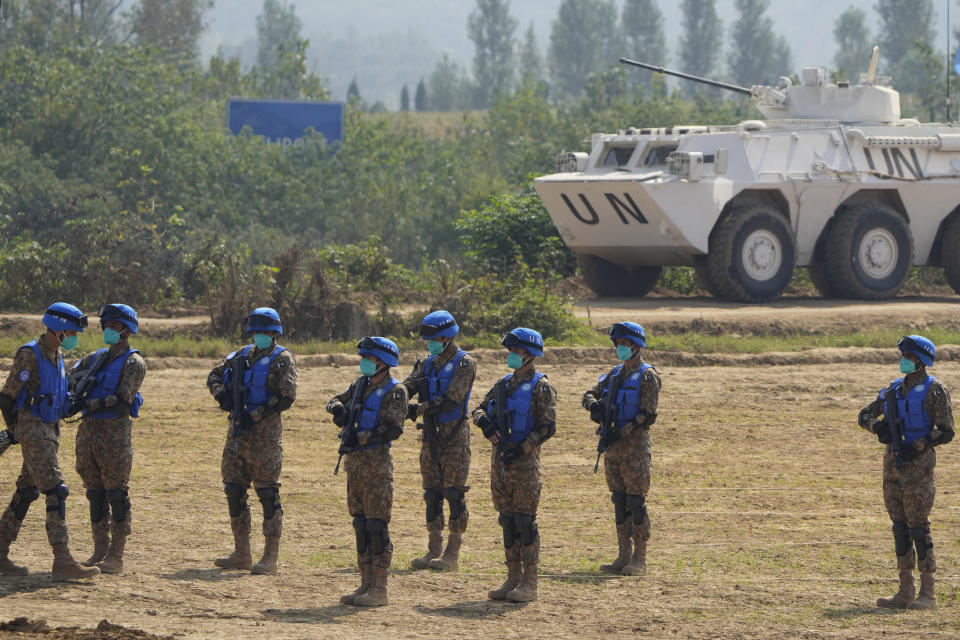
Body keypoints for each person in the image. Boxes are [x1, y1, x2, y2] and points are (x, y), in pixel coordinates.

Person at [0, 302, 99, 578]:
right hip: (34, 433)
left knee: (27, 492)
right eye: (71, 331)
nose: (74, 337)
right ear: (57, 329)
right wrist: (16, 431)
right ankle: (63, 559)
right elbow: (6, 397)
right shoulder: (29, 355)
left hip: (50, 433)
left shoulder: (58, 358)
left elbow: (61, 401)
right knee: (56, 491)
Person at [858, 335, 953, 611]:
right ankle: (905, 589)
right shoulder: (892, 390)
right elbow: (864, 415)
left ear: (921, 361)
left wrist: (919, 444)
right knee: (899, 526)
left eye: (909, 356)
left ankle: (928, 593)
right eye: (903, 355)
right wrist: (878, 429)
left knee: (918, 527)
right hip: (892, 465)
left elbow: (946, 431)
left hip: (918, 467)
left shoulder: (935, 391)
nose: (903, 361)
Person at [207, 307, 298, 575]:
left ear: (274, 333)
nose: (258, 336)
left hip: (265, 438)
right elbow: (213, 375)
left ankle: (270, 556)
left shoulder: (283, 360)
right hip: (237, 436)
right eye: (255, 331)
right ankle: (242, 552)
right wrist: (221, 394)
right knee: (234, 490)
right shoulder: (240, 356)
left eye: (263, 332)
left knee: (267, 493)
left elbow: (287, 396)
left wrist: (255, 415)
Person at [471, 328, 557, 603]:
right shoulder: (503, 384)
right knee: (507, 521)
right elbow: (479, 409)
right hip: (500, 465)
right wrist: (485, 423)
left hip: (524, 465)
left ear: (529, 354)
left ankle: (529, 583)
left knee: (525, 521)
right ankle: (513, 577)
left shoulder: (541, 387)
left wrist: (522, 448)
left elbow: (547, 426)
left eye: (515, 351)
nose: (510, 356)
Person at [326, 337, 406, 607]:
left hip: (376, 467)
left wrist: (360, 438)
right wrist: (337, 408)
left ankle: (380, 588)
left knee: (376, 525)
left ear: (382, 362)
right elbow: (335, 399)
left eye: (368, 359)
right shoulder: (360, 385)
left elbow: (393, 428)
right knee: (360, 524)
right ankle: (365, 583)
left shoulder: (396, 391)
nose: (363, 363)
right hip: (355, 467)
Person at [70, 304, 147, 574]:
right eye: (106, 325)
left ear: (126, 330)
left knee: (116, 492)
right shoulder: (96, 358)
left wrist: (91, 402)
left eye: (113, 326)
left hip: (114, 435)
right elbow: (72, 379)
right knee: (95, 492)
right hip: (89, 433)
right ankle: (100, 548)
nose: (107, 330)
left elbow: (123, 399)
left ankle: (117, 554)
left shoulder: (133, 362)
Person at [581, 322, 660, 576]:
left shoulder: (648, 376)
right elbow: (589, 394)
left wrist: (621, 431)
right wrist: (594, 406)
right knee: (619, 499)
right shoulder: (614, 374)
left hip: (635, 448)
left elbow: (647, 415)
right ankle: (623, 554)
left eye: (624, 345)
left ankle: (640, 557)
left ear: (636, 346)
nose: (620, 349)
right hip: (613, 447)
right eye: (618, 345)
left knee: (636, 501)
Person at [403, 310, 476, 572]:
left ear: (446, 337)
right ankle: (433, 549)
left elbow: (451, 399)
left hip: (454, 437)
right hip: (430, 437)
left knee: (454, 494)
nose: (429, 343)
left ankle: (451, 554)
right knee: (432, 494)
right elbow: (407, 386)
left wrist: (418, 409)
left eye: (433, 338)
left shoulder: (464, 363)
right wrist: (397, 397)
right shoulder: (426, 363)